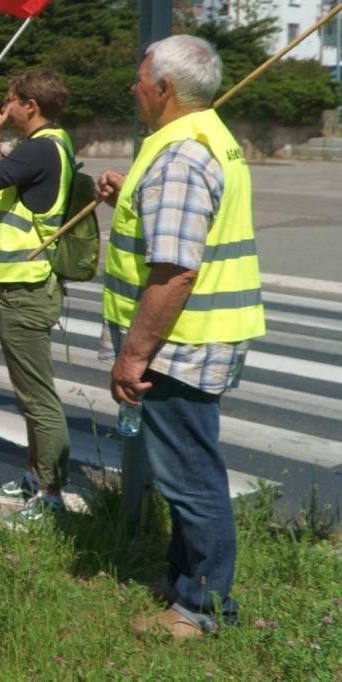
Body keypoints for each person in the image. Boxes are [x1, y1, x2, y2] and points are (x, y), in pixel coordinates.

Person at [97, 35, 263, 638]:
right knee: (186, 473)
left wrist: (133, 355)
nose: (134, 88)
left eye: (141, 79)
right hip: (200, 336)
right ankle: (183, 584)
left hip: (181, 345)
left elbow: (175, 271)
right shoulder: (205, 139)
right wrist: (131, 197)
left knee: (191, 480)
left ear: (164, 88)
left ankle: (202, 609)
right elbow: (181, 231)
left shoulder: (180, 157)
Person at [0, 69, 76, 523]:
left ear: (30, 105)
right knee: (28, 393)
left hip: (27, 288)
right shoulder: (52, 146)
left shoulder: (41, 149)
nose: (4, 109)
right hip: (20, 284)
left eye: (10, 101)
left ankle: (49, 494)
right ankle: (35, 476)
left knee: (37, 396)